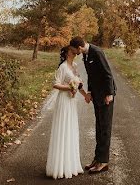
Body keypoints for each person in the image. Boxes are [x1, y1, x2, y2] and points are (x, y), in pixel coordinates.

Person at [69, 36, 115, 174]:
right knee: (99, 127)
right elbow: (91, 76)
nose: (74, 53)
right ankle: (97, 159)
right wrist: (89, 92)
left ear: (79, 47)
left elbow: (108, 74)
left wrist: (109, 93)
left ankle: (104, 162)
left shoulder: (97, 52)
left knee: (105, 128)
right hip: (96, 95)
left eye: (74, 50)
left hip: (106, 95)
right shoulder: (86, 54)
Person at [45, 46, 84, 179]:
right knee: (63, 129)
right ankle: (59, 167)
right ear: (67, 53)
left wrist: (80, 89)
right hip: (63, 101)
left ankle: (71, 165)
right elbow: (55, 84)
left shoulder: (75, 65)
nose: (75, 53)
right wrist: (70, 87)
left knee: (71, 130)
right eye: (72, 51)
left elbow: (78, 81)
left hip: (72, 102)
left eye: (75, 51)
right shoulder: (62, 67)